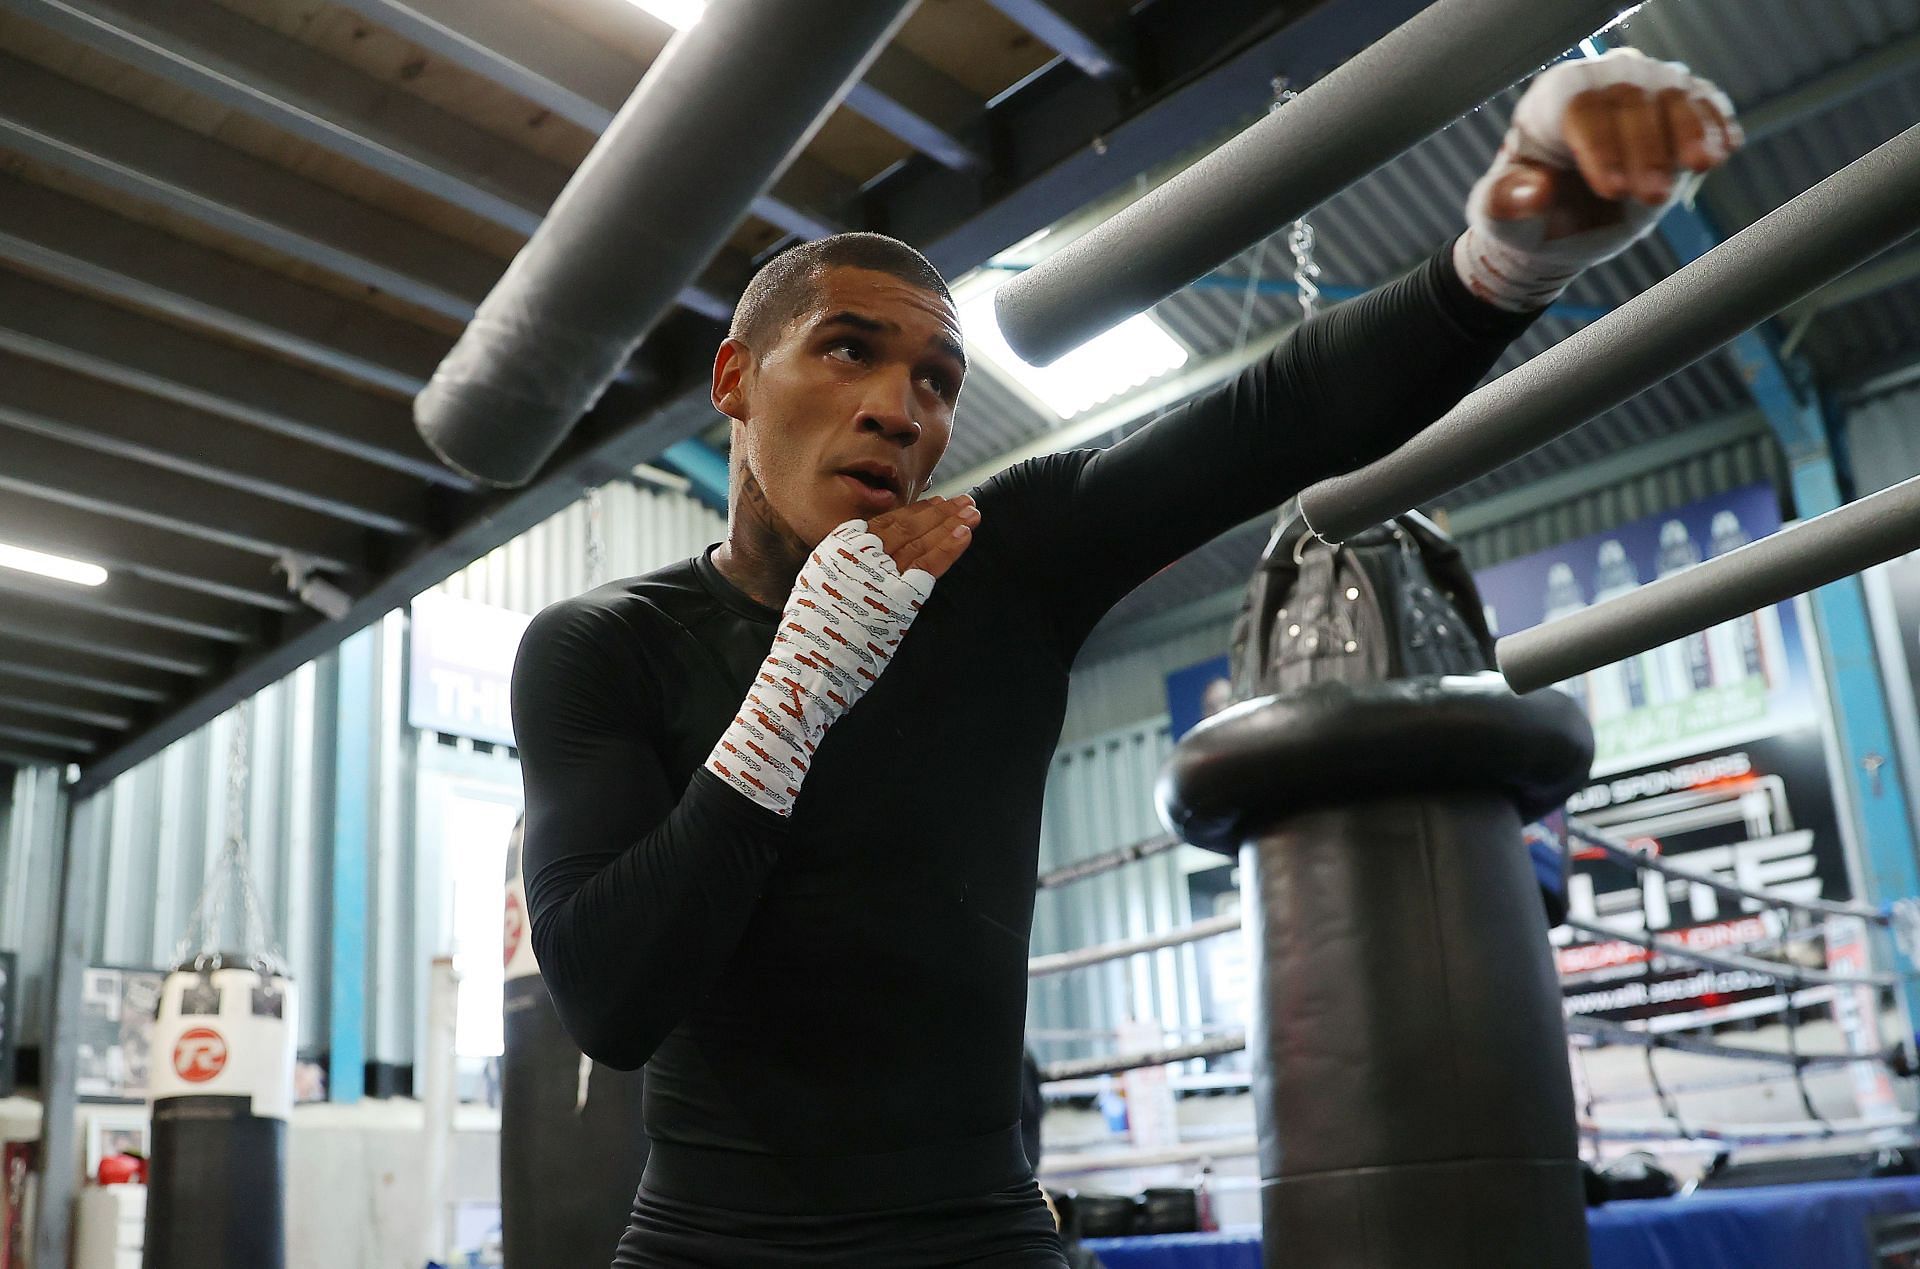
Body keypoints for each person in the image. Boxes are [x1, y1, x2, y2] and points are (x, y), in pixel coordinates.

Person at [512, 49, 1740, 1268]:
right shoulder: (604, 647)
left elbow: (1269, 419)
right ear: (736, 379)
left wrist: (1504, 263)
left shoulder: (1004, 568)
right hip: (708, 1249)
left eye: (937, 381)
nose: (902, 408)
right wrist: (799, 687)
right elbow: (614, 1001)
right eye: (849, 350)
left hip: (976, 1237)